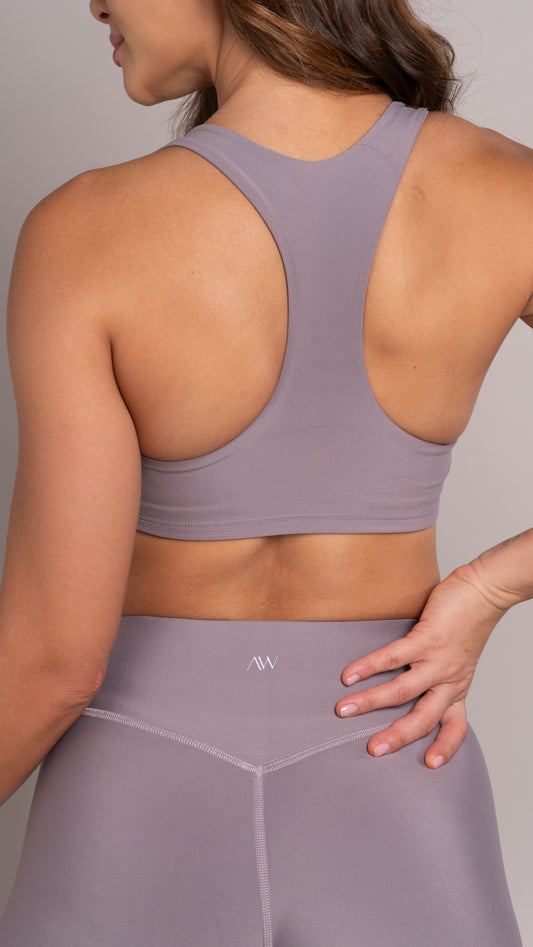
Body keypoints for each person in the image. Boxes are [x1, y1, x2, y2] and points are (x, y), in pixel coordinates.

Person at [0, 0, 531, 943]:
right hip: (395, 763)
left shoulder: (84, 230)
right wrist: (489, 587)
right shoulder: (504, 190)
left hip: (132, 789)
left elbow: (54, 665)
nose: (94, 4)